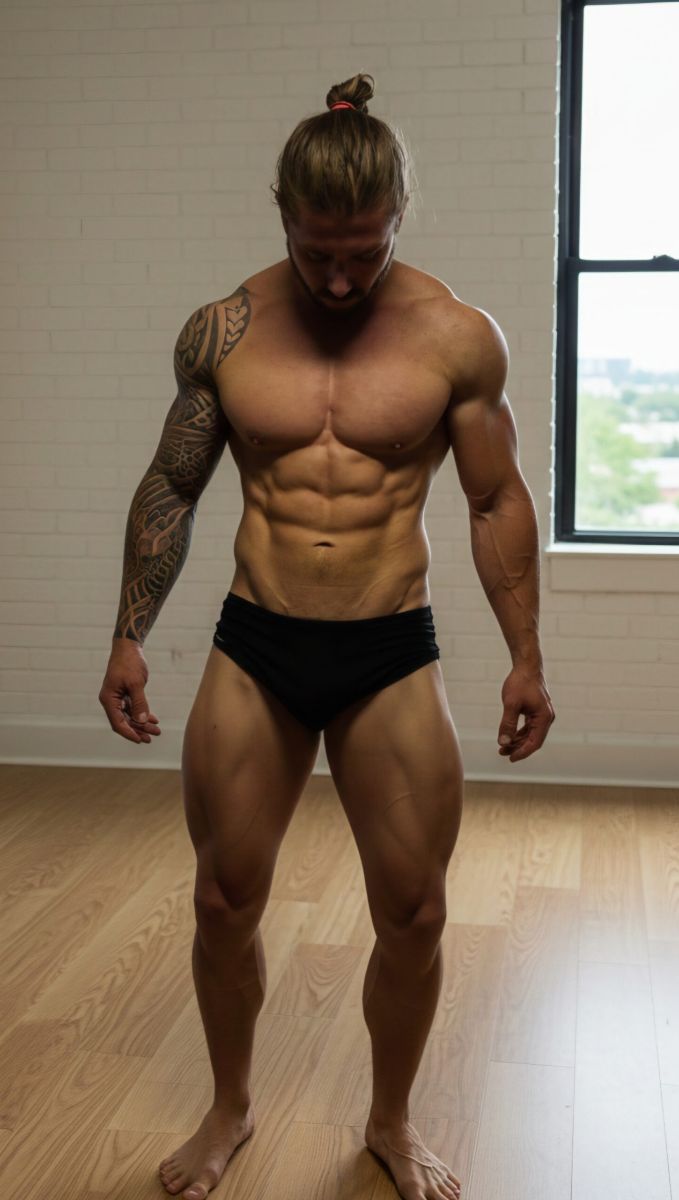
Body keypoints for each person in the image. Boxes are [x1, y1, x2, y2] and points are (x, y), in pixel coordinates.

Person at [99, 73, 554, 1200]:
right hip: (257, 644)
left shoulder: (456, 337)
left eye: (364, 251)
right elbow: (171, 484)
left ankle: (390, 1121)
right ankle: (230, 1106)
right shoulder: (223, 331)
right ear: (282, 217)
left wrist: (525, 657)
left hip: (386, 651)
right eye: (316, 254)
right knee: (222, 900)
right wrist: (128, 634)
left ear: (399, 215)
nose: (341, 278)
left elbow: (494, 500)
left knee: (415, 911)